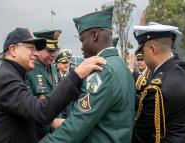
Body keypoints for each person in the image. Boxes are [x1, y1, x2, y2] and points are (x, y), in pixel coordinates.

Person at [0, 27, 106, 143]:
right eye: (30, 48)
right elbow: (41, 111)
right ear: (13, 50)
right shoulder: (6, 78)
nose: (35, 53)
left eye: (36, 49)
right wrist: (77, 75)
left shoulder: (13, 73)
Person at [41, 6, 135, 143]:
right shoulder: (121, 66)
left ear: (94, 35)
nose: (81, 46)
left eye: (82, 40)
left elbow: (76, 127)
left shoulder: (102, 71)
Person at [132, 23, 185, 143]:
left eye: (142, 51)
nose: (142, 56)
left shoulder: (157, 89)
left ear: (153, 49)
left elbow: (140, 135)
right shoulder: (182, 71)